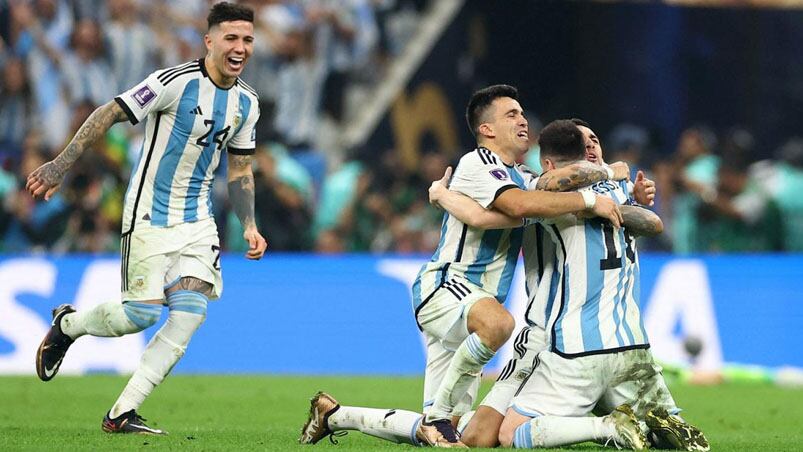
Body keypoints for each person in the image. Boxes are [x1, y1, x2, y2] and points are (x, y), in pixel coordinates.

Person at [300, 85, 629, 447]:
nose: (522, 120)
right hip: (449, 287)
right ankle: (440, 417)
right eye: (511, 115)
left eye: (522, 113)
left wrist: (620, 184)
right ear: (487, 130)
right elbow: (518, 206)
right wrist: (587, 199)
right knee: (500, 324)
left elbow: (496, 213)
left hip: (474, 305)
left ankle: (335, 415)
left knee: (453, 436)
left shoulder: (523, 177)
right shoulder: (479, 164)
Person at [27, 2, 266, 435]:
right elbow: (109, 112)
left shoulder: (247, 104)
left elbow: (240, 170)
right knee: (139, 316)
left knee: (191, 312)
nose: (240, 47)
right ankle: (68, 325)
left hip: (198, 220)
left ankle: (121, 413)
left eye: (247, 39)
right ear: (209, 40)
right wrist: (60, 165)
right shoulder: (173, 82)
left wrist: (249, 224)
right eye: (231, 38)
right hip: (150, 213)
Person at [494, 120, 708, 451]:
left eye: (596, 139)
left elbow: (546, 188)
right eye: (587, 142)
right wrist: (627, 196)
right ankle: (661, 431)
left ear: (548, 162)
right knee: (658, 431)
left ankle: (606, 427)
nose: (593, 147)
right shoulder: (617, 189)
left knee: (511, 433)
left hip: (578, 345)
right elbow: (654, 224)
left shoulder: (551, 192)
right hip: (632, 344)